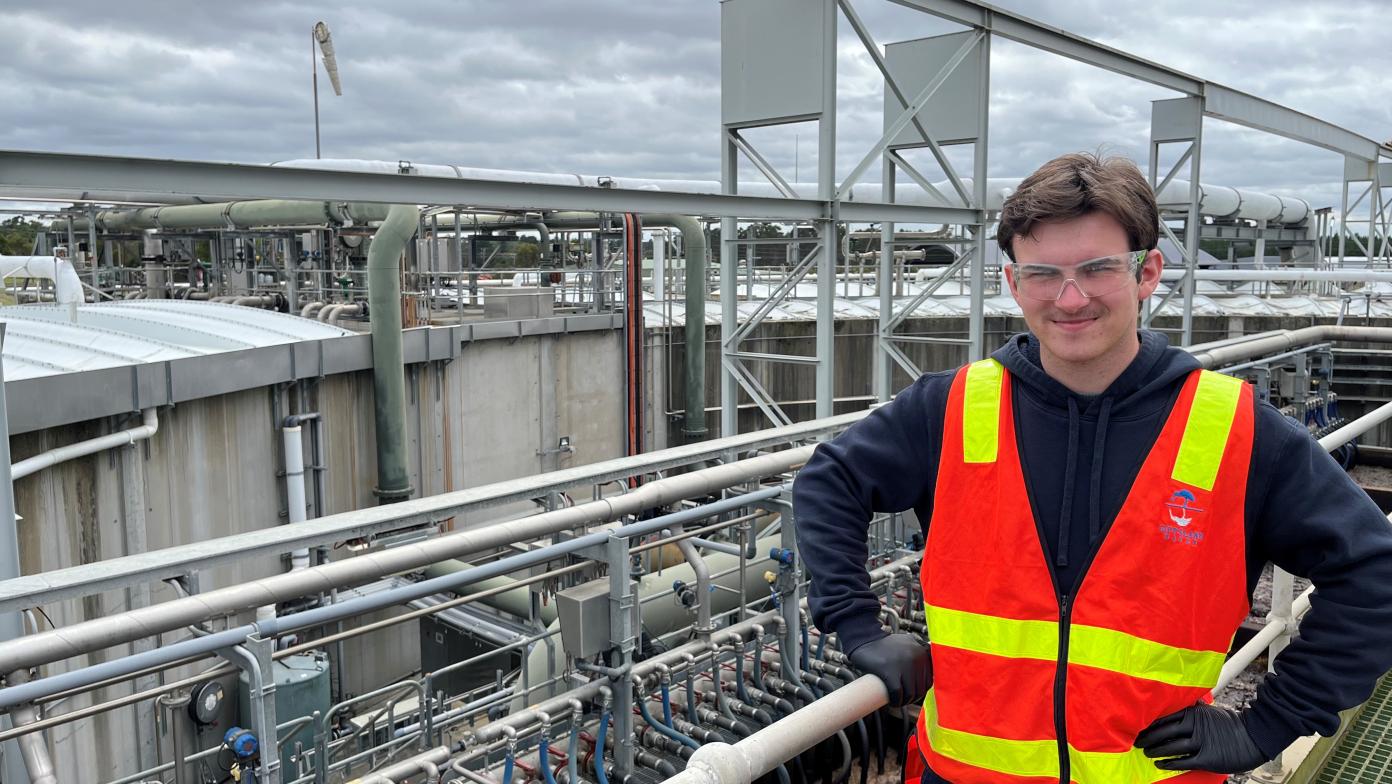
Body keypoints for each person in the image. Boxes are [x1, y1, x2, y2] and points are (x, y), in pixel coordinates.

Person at [793, 151, 1392, 783]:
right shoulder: (952, 409)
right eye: (1043, 273)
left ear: (1147, 272)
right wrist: (856, 624)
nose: (1070, 298)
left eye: (1098, 268)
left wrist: (1268, 724)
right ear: (1012, 281)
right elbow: (831, 483)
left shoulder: (1233, 430)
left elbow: (1373, 572)